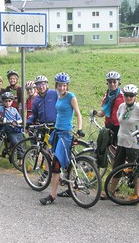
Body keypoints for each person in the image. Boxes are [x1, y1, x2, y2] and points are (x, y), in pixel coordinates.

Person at [39, 72, 85, 205]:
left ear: (67, 86)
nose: (62, 88)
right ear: (56, 86)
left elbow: (78, 114)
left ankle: (52, 196)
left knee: (56, 165)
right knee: (66, 163)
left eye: (64, 85)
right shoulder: (58, 96)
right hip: (57, 131)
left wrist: (80, 128)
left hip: (66, 133)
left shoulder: (71, 97)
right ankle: (71, 190)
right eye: (60, 85)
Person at [109, 84, 139, 199]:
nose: (128, 98)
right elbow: (119, 118)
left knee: (135, 169)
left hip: (133, 143)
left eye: (131, 95)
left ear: (135, 96)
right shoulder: (122, 106)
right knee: (117, 167)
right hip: (121, 141)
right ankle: (111, 192)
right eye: (126, 95)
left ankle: (136, 194)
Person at [92, 70, 124, 199]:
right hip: (109, 127)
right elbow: (103, 112)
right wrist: (95, 113)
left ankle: (116, 181)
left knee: (118, 158)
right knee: (106, 152)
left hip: (119, 128)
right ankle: (112, 178)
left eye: (114, 82)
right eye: (109, 82)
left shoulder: (123, 95)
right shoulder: (107, 95)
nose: (112, 84)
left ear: (118, 82)